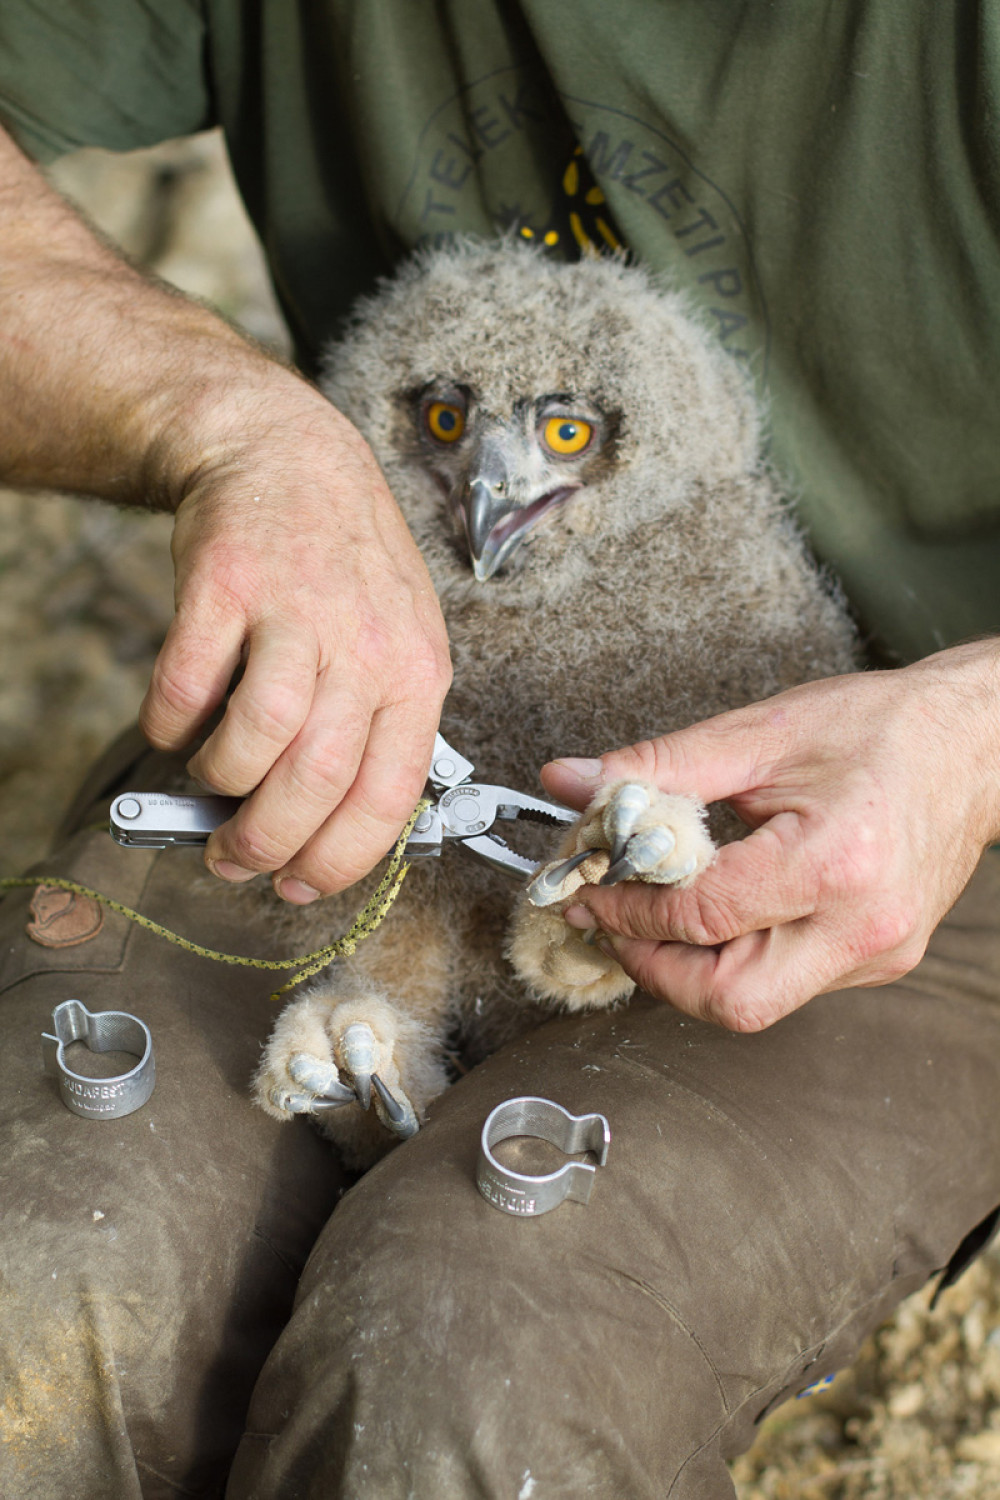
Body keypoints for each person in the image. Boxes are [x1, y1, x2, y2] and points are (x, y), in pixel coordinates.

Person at [1, 4, 999, 1497]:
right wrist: (228, 424)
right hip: (371, 721)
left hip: (920, 801)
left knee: (468, 1364)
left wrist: (973, 733)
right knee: (59, 1266)